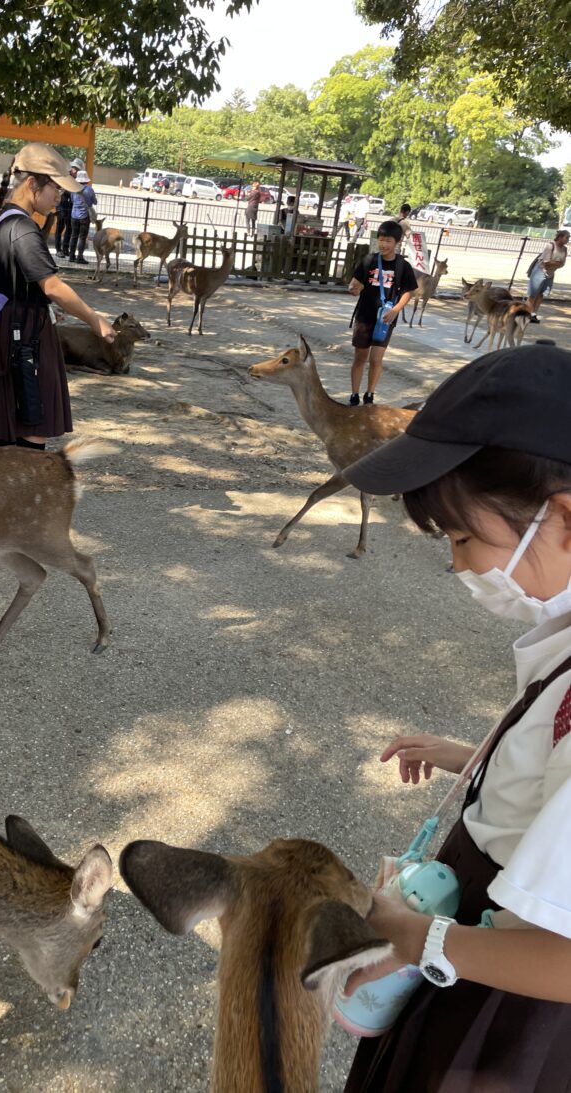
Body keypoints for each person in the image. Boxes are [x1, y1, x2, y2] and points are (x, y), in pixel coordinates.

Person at [341, 343, 571, 1093]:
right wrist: (478, 754)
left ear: (562, 516)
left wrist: (416, 937)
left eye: (464, 537)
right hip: (476, 947)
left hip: (508, 1014)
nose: (462, 565)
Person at [0, 144, 115, 449]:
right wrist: (95, 320)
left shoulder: (4, 219)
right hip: (23, 338)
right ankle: (23, 496)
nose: (60, 196)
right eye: (55, 188)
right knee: (32, 425)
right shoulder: (23, 229)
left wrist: (42, 307)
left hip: (10, 330)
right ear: (32, 184)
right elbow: (52, 286)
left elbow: (17, 283)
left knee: (9, 426)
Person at [347, 220, 417, 405]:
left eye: (388, 241)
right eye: (381, 240)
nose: (384, 244)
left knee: (376, 359)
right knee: (360, 358)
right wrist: (353, 288)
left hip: (385, 319)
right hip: (364, 316)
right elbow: (356, 283)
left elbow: (408, 291)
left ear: (397, 243)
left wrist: (396, 310)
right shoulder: (369, 260)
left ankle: (369, 394)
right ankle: (354, 395)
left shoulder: (403, 266)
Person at [526, 229, 569, 324]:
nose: (568, 240)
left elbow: (562, 264)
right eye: (567, 237)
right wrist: (556, 263)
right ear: (561, 237)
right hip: (540, 271)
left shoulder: (565, 249)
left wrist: (555, 264)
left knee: (541, 294)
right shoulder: (550, 245)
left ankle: (533, 314)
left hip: (551, 273)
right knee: (532, 295)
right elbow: (546, 262)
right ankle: (526, 314)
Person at [54, 156, 83, 258]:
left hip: (71, 205)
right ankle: (58, 249)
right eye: (75, 168)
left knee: (69, 228)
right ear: (72, 168)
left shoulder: (77, 179)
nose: (76, 171)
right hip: (61, 204)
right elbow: (58, 188)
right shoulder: (65, 176)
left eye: (78, 169)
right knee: (60, 227)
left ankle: (65, 248)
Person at [68, 170, 96, 264]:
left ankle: (71, 256)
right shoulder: (89, 189)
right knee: (82, 237)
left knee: (74, 236)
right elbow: (94, 202)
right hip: (84, 216)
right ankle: (80, 257)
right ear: (86, 180)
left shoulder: (73, 189)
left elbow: (72, 200)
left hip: (74, 215)